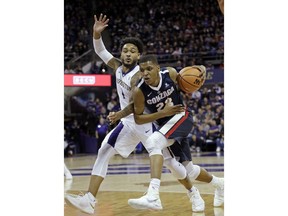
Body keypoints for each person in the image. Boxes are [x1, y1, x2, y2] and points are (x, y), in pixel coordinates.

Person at [65, 14, 197, 214]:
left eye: (132, 51)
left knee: (172, 164)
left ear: (138, 56)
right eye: (125, 50)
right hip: (128, 123)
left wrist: (118, 114)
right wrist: (96, 33)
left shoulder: (140, 75)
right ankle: (90, 200)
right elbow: (100, 50)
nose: (127, 54)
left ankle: (192, 191)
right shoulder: (117, 66)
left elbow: (135, 106)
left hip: (145, 121)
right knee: (104, 151)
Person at [127, 54, 224, 211]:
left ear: (158, 68)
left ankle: (153, 196)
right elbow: (138, 119)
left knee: (153, 142)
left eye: (149, 69)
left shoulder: (170, 74)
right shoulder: (140, 91)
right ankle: (218, 184)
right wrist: (163, 113)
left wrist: (202, 69)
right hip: (165, 126)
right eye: (142, 70)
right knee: (187, 170)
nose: (145, 73)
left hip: (182, 117)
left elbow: (194, 76)